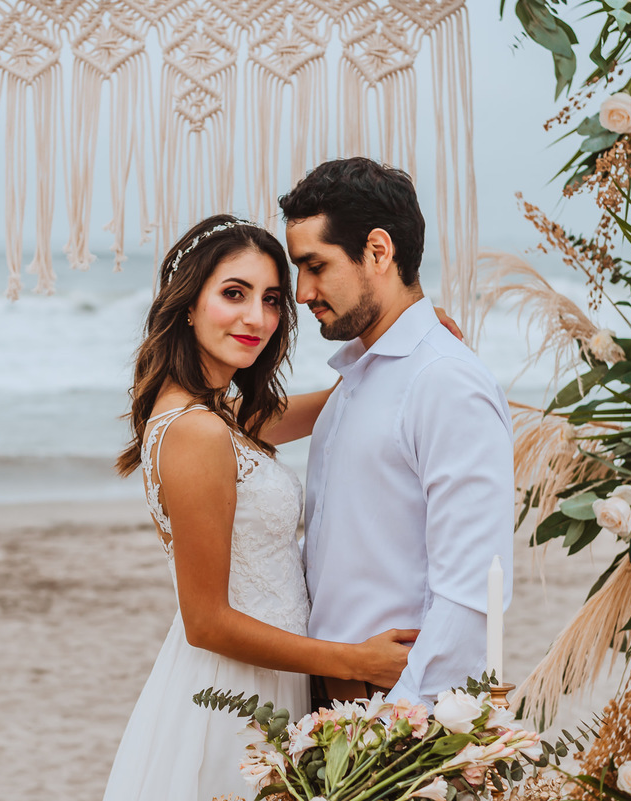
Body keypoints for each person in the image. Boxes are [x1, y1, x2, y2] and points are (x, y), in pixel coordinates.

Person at [102, 213, 417, 801]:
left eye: (272, 300)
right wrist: (354, 662)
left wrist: (409, 348)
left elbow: (333, 404)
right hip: (232, 699)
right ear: (187, 304)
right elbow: (206, 622)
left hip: (266, 684)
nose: (257, 318)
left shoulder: (215, 416)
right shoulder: (197, 432)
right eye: (234, 294)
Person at [279, 157, 515, 709]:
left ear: (378, 252)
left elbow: (469, 593)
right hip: (324, 702)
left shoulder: (446, 383)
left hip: (392, 711)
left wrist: (398, 721)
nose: (301, 291)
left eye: (314, 265)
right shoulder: (356, 380)